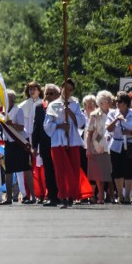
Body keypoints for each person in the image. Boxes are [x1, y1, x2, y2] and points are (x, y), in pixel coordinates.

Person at [43, 78, 89, 208]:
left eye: (70, 90)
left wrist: (72, 115)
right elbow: (47, 125)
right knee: (61, 170)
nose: (67, 92)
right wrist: (60, 126)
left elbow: (81, 122)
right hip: (58, 142)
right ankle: (63, 196)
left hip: (72, 141)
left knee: (74, 169)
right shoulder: (53, 105)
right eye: (65, 88)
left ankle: (71, 195)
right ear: (61, 88)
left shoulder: (74, 104)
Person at [107, 91, 132, 204]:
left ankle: (127, 196)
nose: (118, 104)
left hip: (131, 144)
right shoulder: (112, 113)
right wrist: (117, 119)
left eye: (120, 102)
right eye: (116, 101)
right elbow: (108, 128)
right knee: (117, 170)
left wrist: (130, 132)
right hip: (117, 145)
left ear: (126, 103)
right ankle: (120, 195)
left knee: (130, 170)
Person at [0, 89, 35, 205]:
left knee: (26, 168)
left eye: (7, 98)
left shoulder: (18, 110)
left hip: (19, 143)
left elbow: (21, 127)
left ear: (12, 99)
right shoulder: (2, 111)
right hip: (9, 143)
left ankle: (33, 196)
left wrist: (12, 125)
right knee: (8, 170)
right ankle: (8, 197)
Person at [33, 84, 60, 206]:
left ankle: (63, 194)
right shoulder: (40, 108)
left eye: (51, 93)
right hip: (45, 144)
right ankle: (52, 195)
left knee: (59, 169)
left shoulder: (61, 107)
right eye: (46, 94)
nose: (48, 96)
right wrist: (34, 146)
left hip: (59, 143)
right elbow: (37, 128)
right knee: (48, 170)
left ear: (58, 95)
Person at [85, 90, 114, 204]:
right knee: (99, 173)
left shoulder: (114, 113)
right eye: (108, 100)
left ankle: (111, 194)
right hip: (98, 147)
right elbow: (89, 132)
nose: (111, 102)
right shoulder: (94, 115)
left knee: (111, 172)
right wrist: (88, 148)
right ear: (101, 103)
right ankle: (100, 195)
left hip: (112, 146)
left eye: (111, 100)